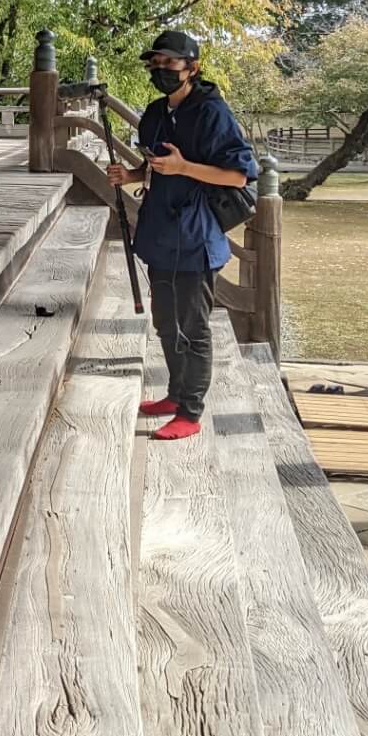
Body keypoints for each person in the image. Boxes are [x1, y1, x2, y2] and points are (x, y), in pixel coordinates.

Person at [105, 29, 258, 441]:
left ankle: (190, 412)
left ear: (192, 67)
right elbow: (156, 164)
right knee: (165, 322)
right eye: (155, 63)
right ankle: (174, 395)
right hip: (160, 230)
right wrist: (133, 174)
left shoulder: (213, 113)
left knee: (193, 325)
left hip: (195, 234)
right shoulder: (154, 113)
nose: (161, 70)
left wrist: (184, 167)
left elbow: (238, 174)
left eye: (170, 63)